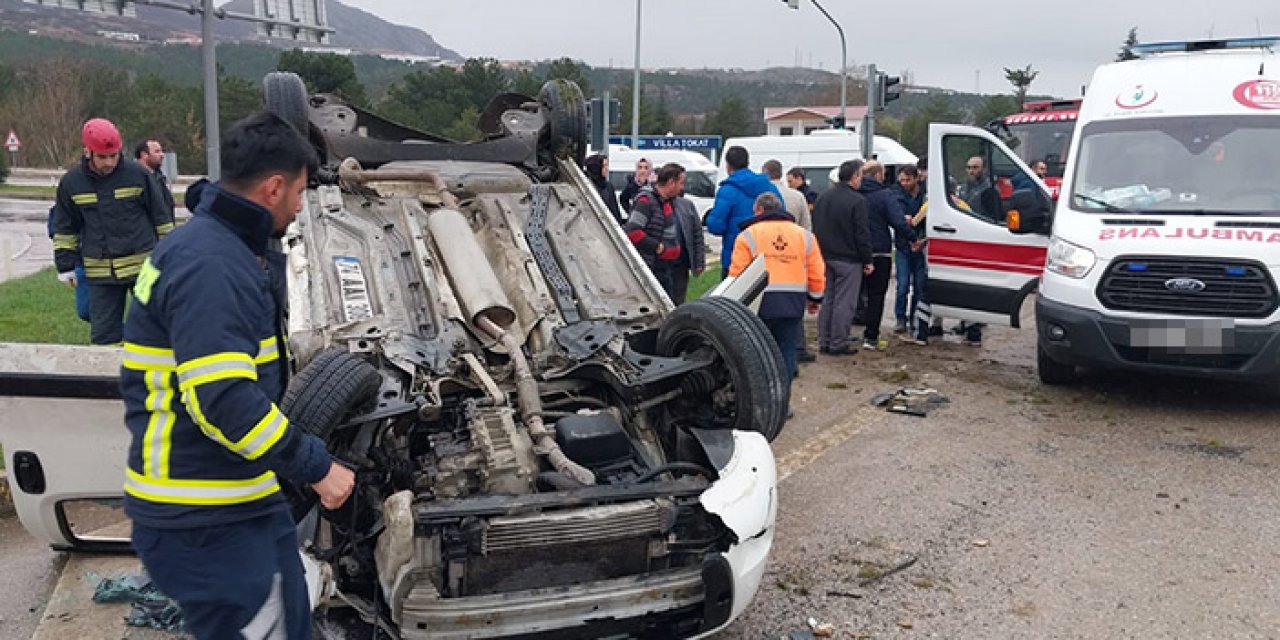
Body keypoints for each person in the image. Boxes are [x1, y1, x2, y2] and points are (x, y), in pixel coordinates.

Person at [121, 112, 355, 640]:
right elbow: (224, 400)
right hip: (204, 515)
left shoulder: (224, 247)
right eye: (298, 192)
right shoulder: (213, 265)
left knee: (291, 615)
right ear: (273, 187)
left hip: (235, 499)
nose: (300, 206)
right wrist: (315, 465)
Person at [51, 118, 172, 345]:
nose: (109, 162)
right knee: (105, 337)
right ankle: (110, 379)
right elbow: (65, 228)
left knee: (156, 327)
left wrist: (169, 257)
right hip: (101, 274)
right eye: (102, 157)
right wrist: (65, 265)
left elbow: (162, 219)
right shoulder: (71, 183)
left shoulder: (138, 175)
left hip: (143, 270)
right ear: (88, 152)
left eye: (113, 156)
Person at [728, 191, 824, 389]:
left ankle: (763, 401)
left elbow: (737, 275)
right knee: (786, 351)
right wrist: (815, 298)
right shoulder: (804, 236)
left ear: (760, 210)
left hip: (759, 302)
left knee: (758, 354)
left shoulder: (748, 236)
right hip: (792, 302)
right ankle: (782, 401)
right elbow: (816, 271)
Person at [811, 160, 872, 356]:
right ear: (854, 177)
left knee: (828, 299)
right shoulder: (857, 201)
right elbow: (862, 233)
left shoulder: (823, 197)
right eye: (861, 175)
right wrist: (867, 259)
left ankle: (824, 340)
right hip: (848, 258)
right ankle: (838, 342)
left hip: (825, 255)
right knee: (845, 302)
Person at [857, 160, 919, 350]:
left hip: (856, 252)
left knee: (856, 294)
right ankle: (871, 337)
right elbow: (898, 222)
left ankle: (841, 333)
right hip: (880, 251)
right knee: (876, 295)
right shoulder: (885, 195)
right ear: (877, 175)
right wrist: (913, 237)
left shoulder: (854, 195)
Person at [706, 145, 781, 277]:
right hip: (768, 255)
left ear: (728, 166)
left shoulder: (727, 191)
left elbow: (716, 226)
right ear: (748, 162)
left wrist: (710, 217)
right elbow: (782, 216)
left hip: (735, 256)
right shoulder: (769, 187)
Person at [626, 162, 685, 299]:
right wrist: (657, 247)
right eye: (681, 183)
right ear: (671, 182)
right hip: (652, 267)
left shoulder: (666, 201)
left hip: (666, 267)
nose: (682, 188)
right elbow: (632, 231)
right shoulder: (646, 201)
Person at [892, 165, 927, 335]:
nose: (904, 183)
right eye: (902, 180)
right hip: (903, 245)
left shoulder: (926, 195)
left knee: (920, 286)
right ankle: (900, 318)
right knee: (903, 285)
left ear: (916, 178)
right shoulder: (897, 195)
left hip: (922, 245)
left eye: (908, 180)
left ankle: (915, 316)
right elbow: (898, 218)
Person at [670, 187, 706, 305]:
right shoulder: (653, 203)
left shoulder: (687, 205)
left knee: (678, 298)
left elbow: (697, 234)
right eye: (680, 183)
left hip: (681, 262)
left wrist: (699, 261)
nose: (681, 187)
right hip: (660, 263)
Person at [134, 138, 176, 220]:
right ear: (144, 155)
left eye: (161, 151)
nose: (162, 155)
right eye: (157, 151)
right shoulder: (134, 178)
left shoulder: (159, 178)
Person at [763, 159, 810, 230]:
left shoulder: (759, 194)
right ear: (781, 174)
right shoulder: (798, 196)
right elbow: (806, 225)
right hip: (793, 237)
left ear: (764, 174)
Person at [584, 153, 625, 225]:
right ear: (597, 168)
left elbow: (614, 211)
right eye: (604, 166)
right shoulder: (587, 185)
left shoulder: (608, 186)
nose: (607, 169)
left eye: (607, 165)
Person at [959, 155, 1000, 220]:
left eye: (975, 167)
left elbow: (993, 219)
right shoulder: (963, 188)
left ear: (984, 169)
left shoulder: (989, 190)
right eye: (968, 168)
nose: (971, 171)